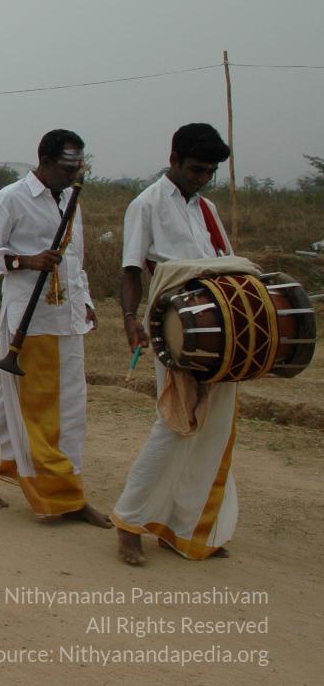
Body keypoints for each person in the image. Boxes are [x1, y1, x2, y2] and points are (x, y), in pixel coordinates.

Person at [112, 122, 240, 566]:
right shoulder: (144, 205)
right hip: (175, 327)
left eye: (210, 172)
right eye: (195, 169)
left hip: (220, 328)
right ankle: (129, 523)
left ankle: (184, 527)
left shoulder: (206, 209)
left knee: (214, 428)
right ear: (173, 160)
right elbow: (132, 270)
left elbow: (227, 263)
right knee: (175, 423)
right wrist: (130, 319)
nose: (202, 178)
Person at [0, 130, 109, 528]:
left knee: (62, 405)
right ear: (45, 161)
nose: (75, 174)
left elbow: (75, 261)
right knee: (39, 410)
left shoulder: (71, 199)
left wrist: (87, 304)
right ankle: (63, 496)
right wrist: (25, 261)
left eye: (80, 166)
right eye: (68, 167)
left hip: (67, 318)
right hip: (28, 322)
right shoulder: (11, 198)